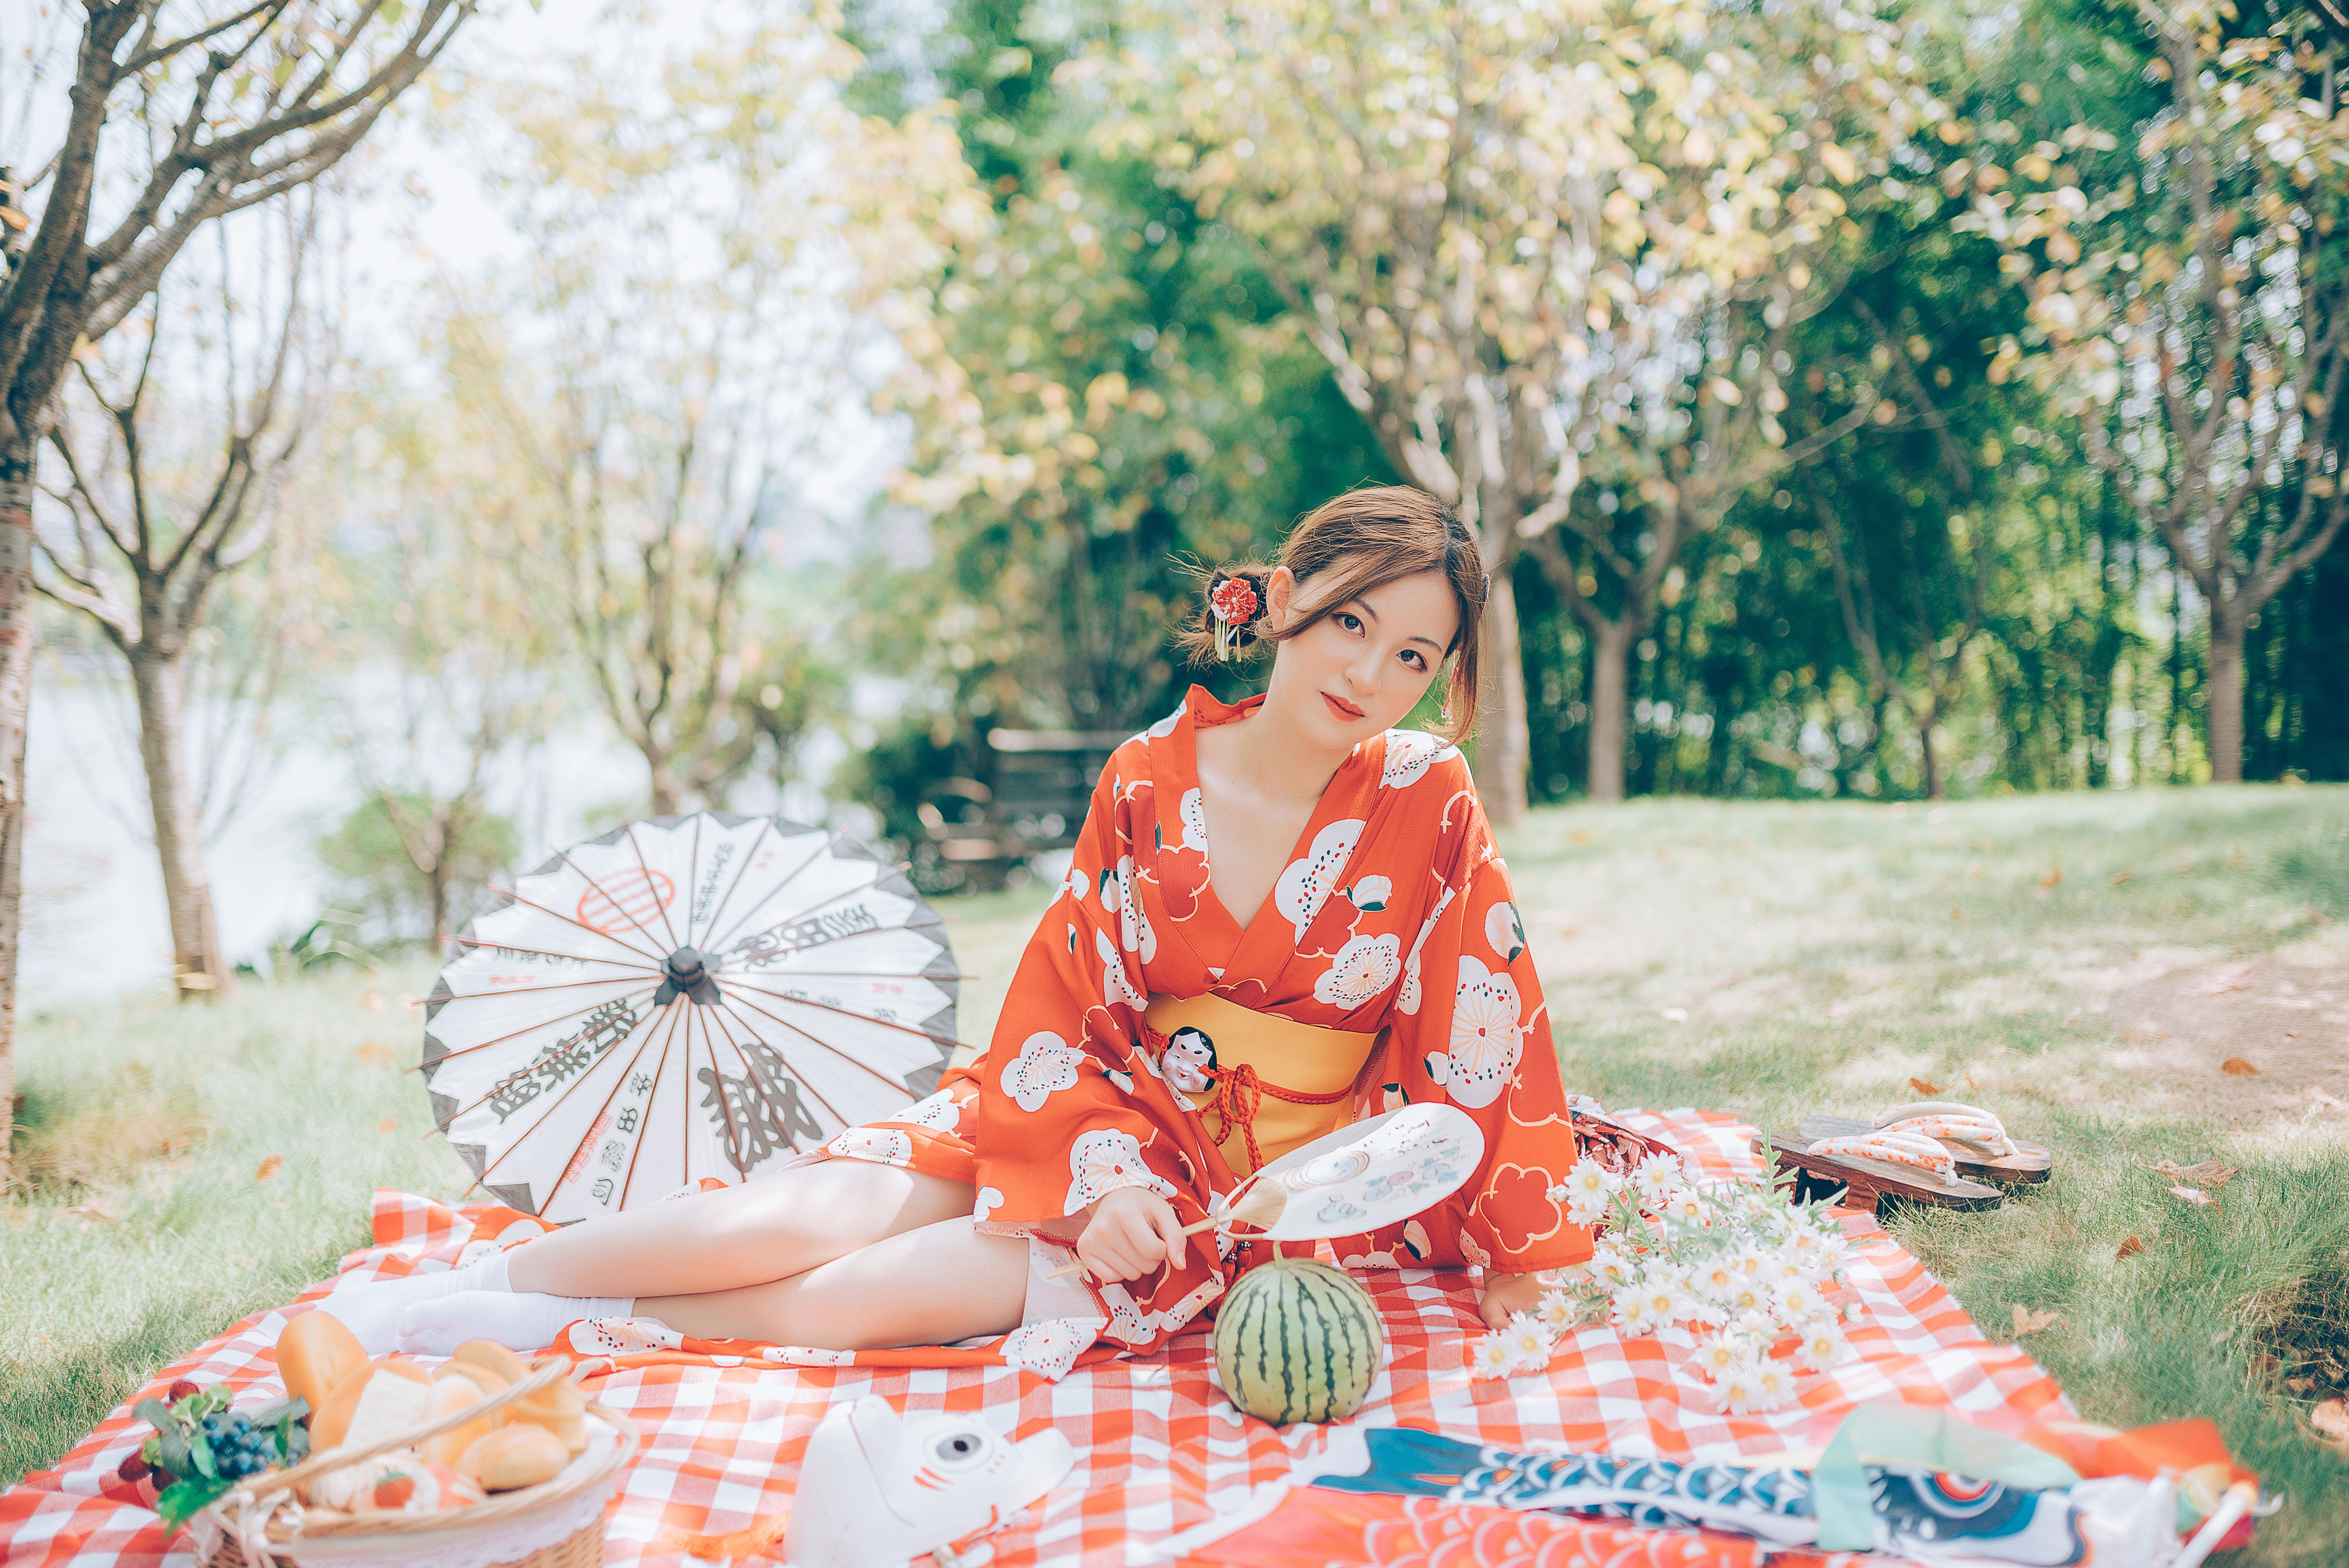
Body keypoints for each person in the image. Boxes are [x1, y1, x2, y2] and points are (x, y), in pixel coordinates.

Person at [321, 485, 1653, 1365]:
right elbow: (1072, 1006)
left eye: (1414, 657)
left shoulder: (1426, 794)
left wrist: (1526, 1252)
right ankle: (498, 1285)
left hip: (1252, 1190)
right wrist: (1110, 1168)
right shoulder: (1147, 778)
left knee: (875, 1300)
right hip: (1092, 1111)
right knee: (809, 1212)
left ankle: (525, 1333)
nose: (1370, 672)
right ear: (1282, 596)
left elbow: (1485, 1030)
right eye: (1350, 621)